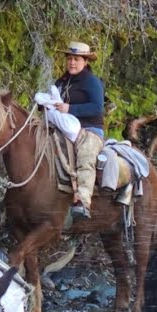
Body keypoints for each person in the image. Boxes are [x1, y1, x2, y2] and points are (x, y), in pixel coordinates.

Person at [52, 41, 105, 221]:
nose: (72, 63)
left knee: (86, 155)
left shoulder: (92, 82)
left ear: (85, 61)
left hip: (89, 129)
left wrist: (70, 109)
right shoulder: (61, 81)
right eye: (69, 59)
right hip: (63, 126)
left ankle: (82, 202)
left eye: (76, 59)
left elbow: (97, 108)